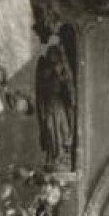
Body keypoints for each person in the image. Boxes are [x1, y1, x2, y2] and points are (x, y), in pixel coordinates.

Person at [35, 41, 75, 169]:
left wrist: (61, 78)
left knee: (62, 130)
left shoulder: (62, 72)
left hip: (59, 106)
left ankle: (62, 157)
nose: (52, 58)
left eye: (54, 55)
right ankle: (54, 157)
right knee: (50, 129)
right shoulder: (46, 72)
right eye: (50, 55)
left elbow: (68, 91)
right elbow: (41, 90)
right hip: (49, 106)